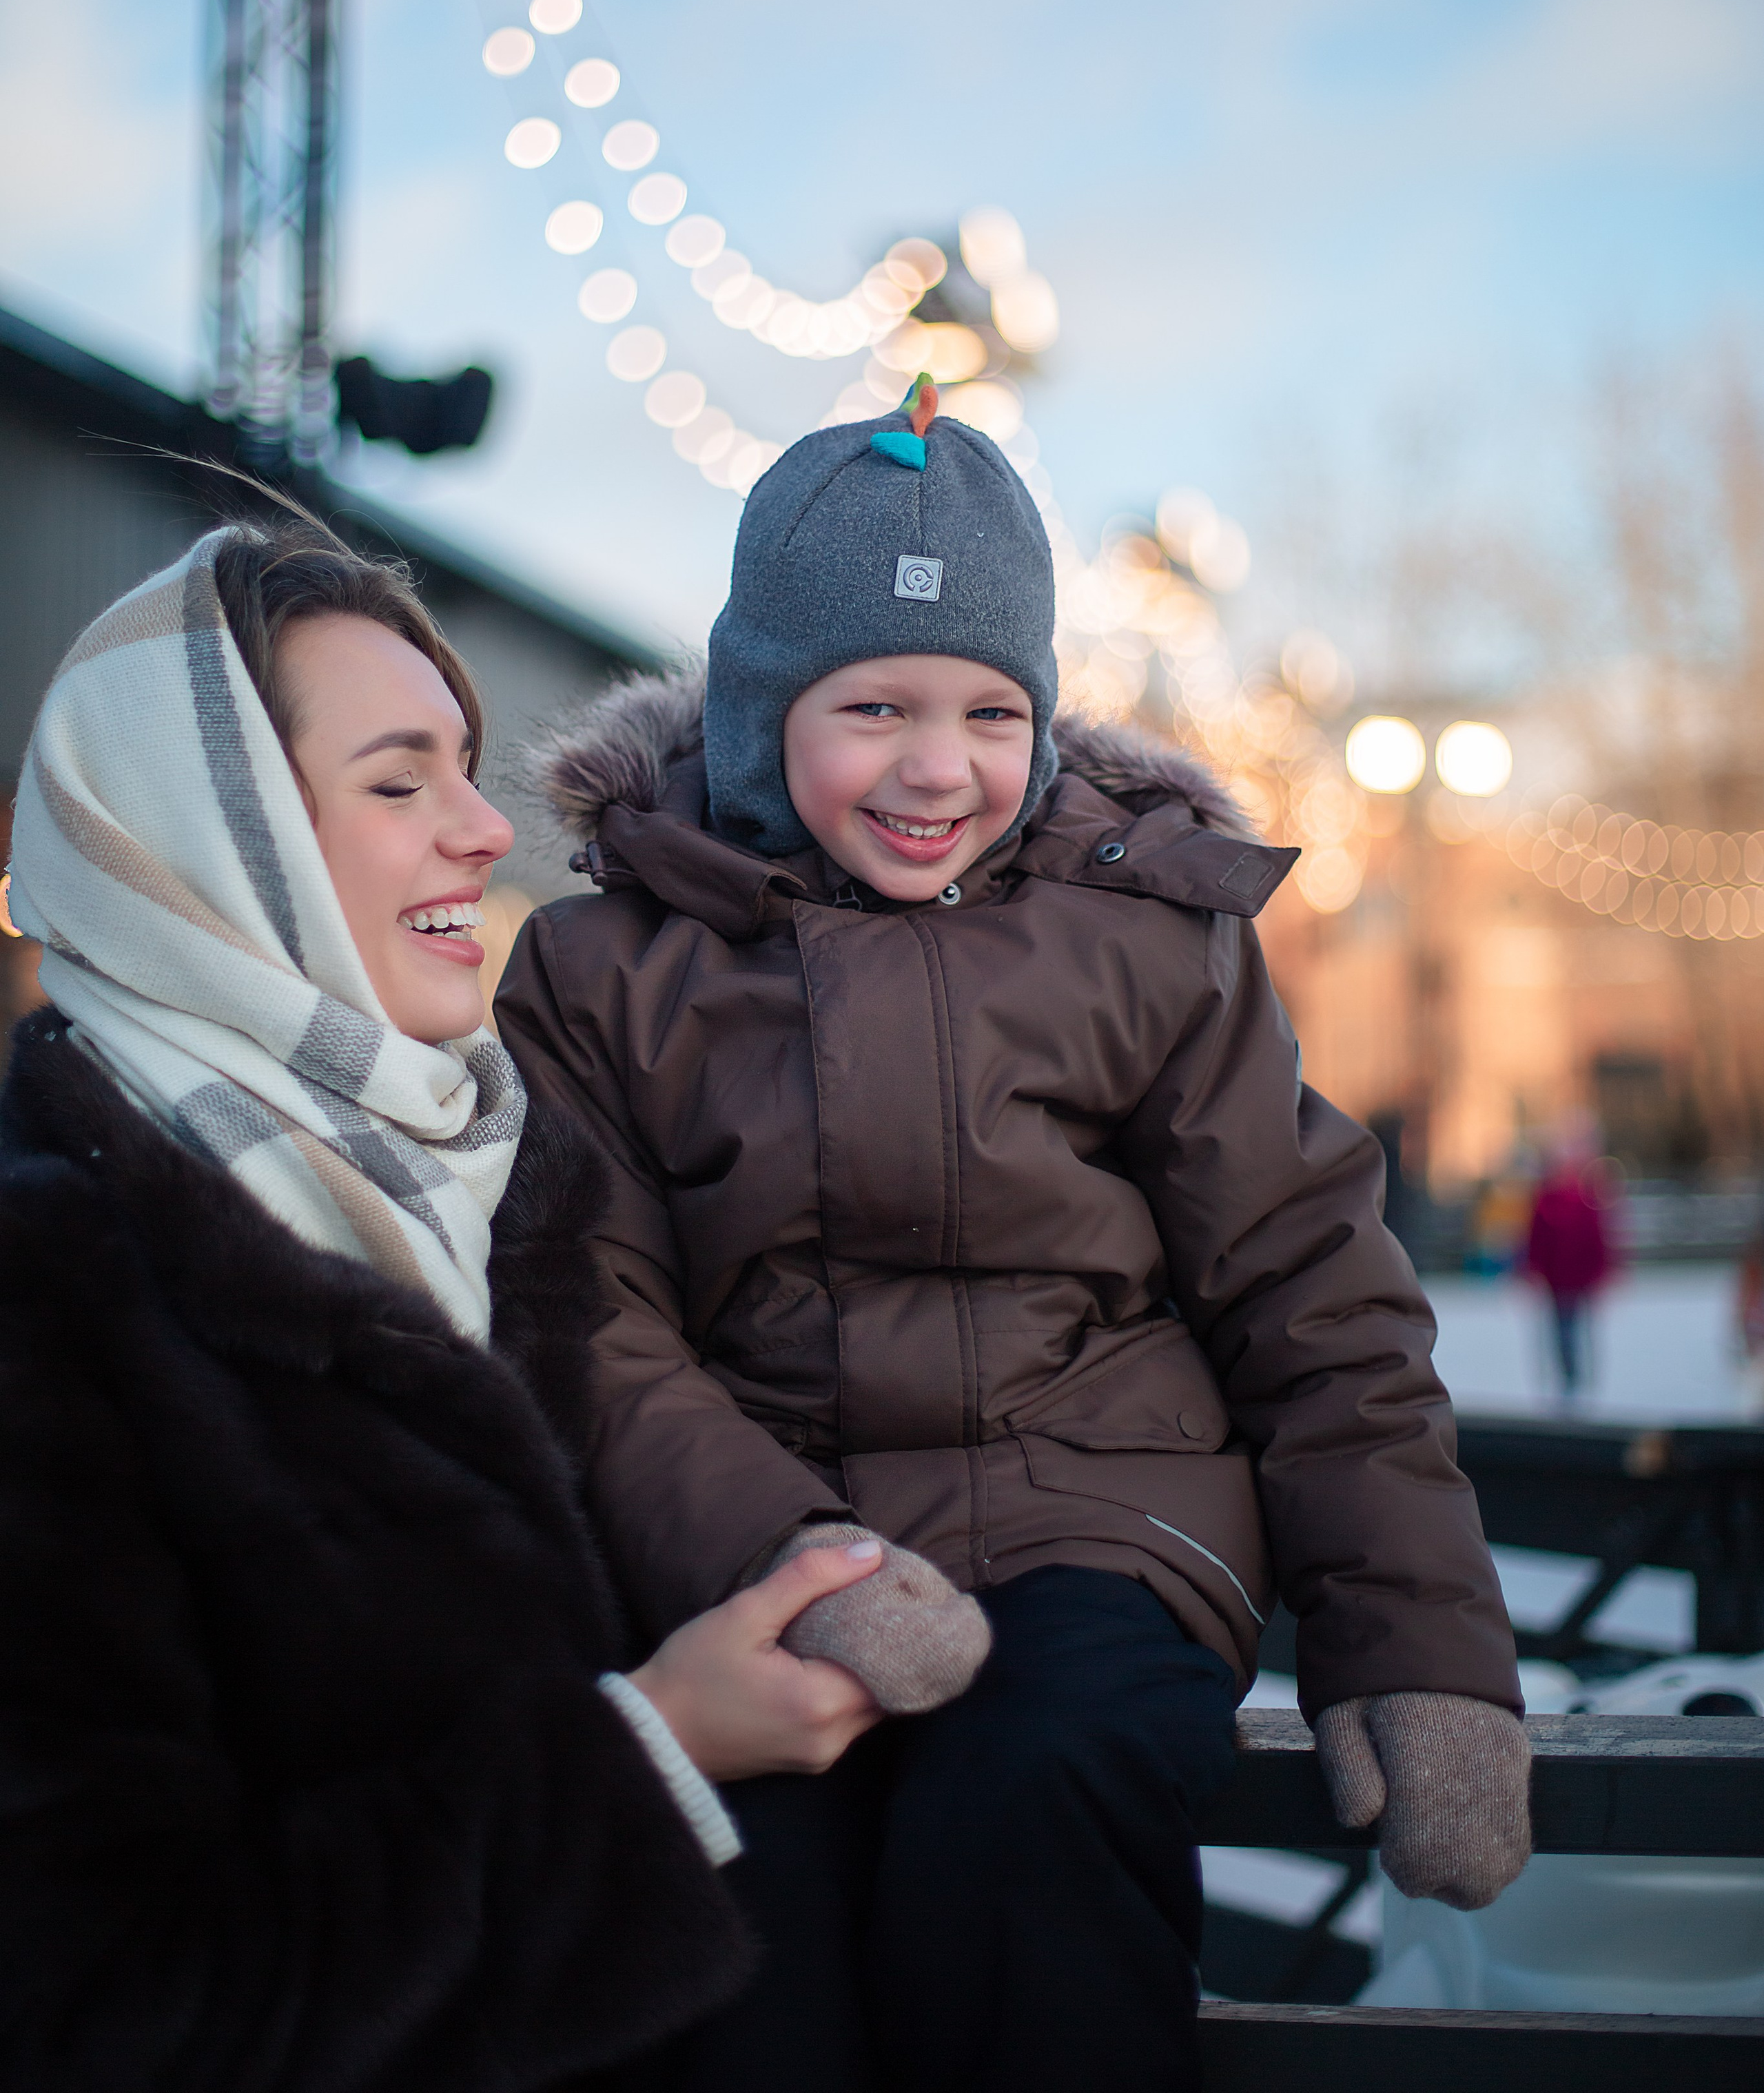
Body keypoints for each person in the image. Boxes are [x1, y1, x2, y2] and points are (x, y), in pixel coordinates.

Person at [496, 380, 1532, 2093]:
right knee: (757, 1878)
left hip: (1096, 1516)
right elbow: (582, 1319)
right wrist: (790, 1559)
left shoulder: (1144, 935)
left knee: (1038, 1786)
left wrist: (1416, 1646)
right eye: (874, 704)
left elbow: (1309, 1289)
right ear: (761, 714)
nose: (937, 764)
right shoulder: (608, 972)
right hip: (758, 1529)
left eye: (990, 709)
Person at [0, 510, 899, 2090]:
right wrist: (652, 1759)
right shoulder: (53, 1293)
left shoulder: (531, 1195)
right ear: (211, 837)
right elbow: (111, 1998)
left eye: (465, 769)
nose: (488, 832)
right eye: (399, 780)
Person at [1524, 1139, 1619, 1398]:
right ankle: (1569, 1377)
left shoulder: (1588, 1197)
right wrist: (1533, 1269)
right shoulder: (1546, 1199)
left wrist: (1604, 1271)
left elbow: (1599, 1237)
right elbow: (1536, 1238)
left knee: (1581, 1328)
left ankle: (1582, 1377)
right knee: (1563, 1329)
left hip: (1581, 1276)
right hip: (1558, 1278)